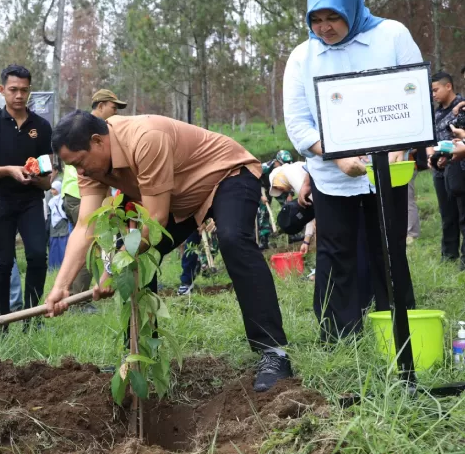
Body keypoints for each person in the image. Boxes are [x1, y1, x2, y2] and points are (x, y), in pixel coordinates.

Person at [46, 111, 292, 392]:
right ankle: (139, 356)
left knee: (233, 239)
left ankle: (273, 353)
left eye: (79, 163)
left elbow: (155, 220)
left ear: (98, 141)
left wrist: (112, 269)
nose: (79, 172)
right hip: (179, 196)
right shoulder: (90, 166)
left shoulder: (146, 138)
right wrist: (61, 287)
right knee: (134, 261)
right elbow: (84, 227)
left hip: (226, 175)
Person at [283, 0, 418, 340]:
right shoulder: (302, 57)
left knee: (387, 246)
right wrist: (336, 157)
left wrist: (396, 150)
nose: (324, 28)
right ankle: (339, 332)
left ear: (352, 7)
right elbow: (298, 123)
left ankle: (397, 325)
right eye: (316, 19)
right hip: (331, 173)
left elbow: (412, 97)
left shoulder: (391, 36)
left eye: (333, 17)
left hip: (386, 169)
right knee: (336, 250)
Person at [0, 65, 52, 333]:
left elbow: (47, 173)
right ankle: (0, 324)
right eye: (13, 90)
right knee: (3, 262)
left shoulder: (41, 127)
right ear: (2, 90)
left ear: (30, 90)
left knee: (37, 256)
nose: (19, 95)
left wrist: (39, 179)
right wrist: (9, 170)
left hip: (30, 200)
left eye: (24, 90)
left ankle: (33, 317)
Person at [62, 89, 127, 295]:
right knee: (88, 240)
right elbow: (92, 173)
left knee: (102, 240)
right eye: (113, 107)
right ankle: (78, 298)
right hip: (79, 194)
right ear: (100, 106)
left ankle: (96, 286)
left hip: (86, 194)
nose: (116, 113)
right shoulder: (83, 132)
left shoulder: (103, 132)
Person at [429, 72, 465, 267]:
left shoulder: (461, 108)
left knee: (462, 214)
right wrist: (431, 157)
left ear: (448, 86)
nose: (433, 94)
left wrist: (447, 156)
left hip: (458, 167)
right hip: (439, 170)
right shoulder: (435, 112)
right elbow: (431, 139)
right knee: (447, 214)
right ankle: (448, 255)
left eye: (436, 89)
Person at [268, 162, 316, 254]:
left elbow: (315, 208)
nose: (284, 191)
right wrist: (306, 240)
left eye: (279, 188)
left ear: (278, 178)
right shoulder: (294, 173)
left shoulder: (292, 174)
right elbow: (311, 212)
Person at [47, 180, 70, 269]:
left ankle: (64, 266)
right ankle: (54, 266)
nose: (52, 191)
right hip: (54, 226)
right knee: (54, 246)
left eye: (54, 189)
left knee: (63, 245)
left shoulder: (62, 200)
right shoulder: (52, 201)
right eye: (52, 189)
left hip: (62, 224)